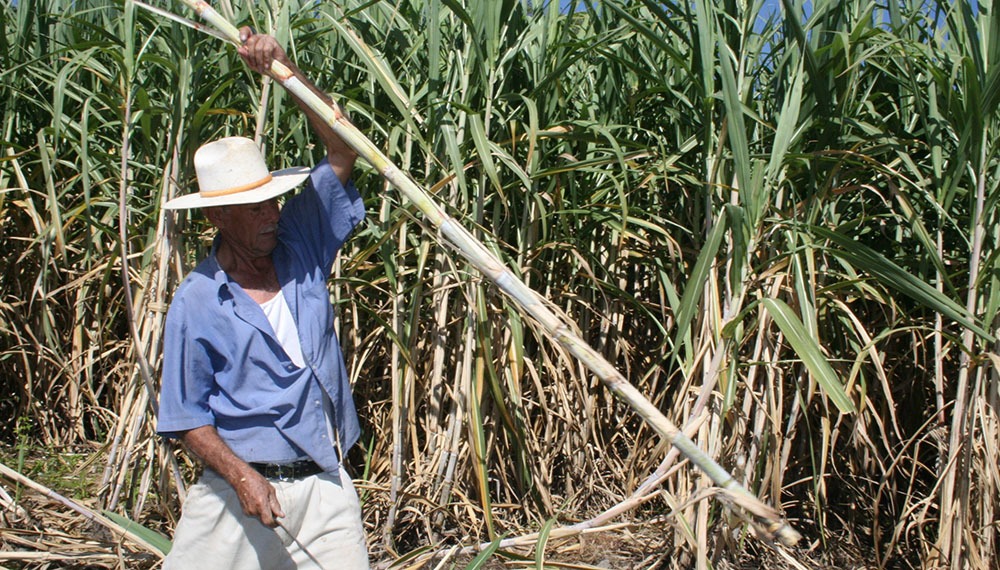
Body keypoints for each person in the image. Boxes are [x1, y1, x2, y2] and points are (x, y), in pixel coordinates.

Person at [156, 28, 369, 569]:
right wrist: (240, 476)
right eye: (254, 208)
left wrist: (285, 71)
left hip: (324, 485)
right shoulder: (198, 301)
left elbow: (344, 147)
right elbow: (186, 417)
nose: (271, 214)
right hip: (236, 492)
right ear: (215, 217)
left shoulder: (302, 243)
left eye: (271, 201)